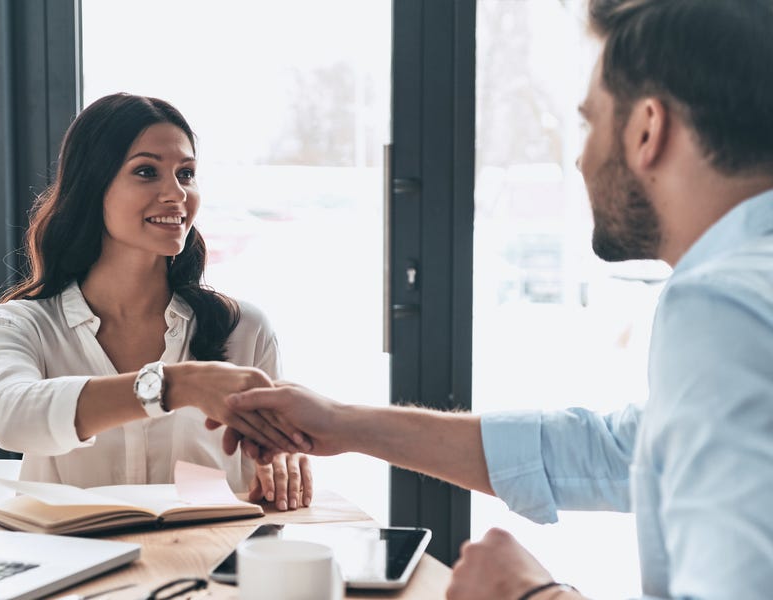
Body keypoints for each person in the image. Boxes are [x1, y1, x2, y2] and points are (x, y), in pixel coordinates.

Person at [224, 0, 773, 598]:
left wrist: (531, 593)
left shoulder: (722, 308)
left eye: (590, 123)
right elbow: (619, 452)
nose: (580, 157)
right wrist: (343, 424)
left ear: (647, 129)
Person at [0, 93, 311, 512]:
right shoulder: (19, 325)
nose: (176, 194)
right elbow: (12, 419)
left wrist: (281, 457)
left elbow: (272, 456)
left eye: (186, 174)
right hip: (73, 567)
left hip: (205, 565)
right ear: (92, 187)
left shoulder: (243, 328)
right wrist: (175, 385)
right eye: (146, 171)